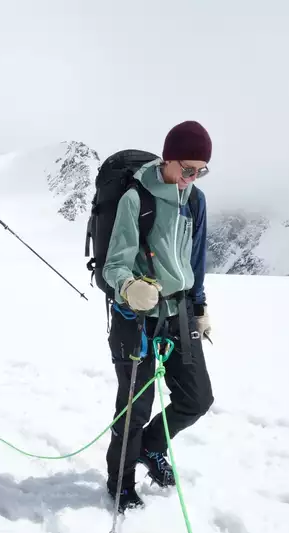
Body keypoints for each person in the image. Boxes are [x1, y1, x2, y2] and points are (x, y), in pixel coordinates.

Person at [102, 120, 215, 511]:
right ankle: (120, 483)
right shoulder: (137, 198)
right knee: (136, 406)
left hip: (180, 312)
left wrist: (199, 306)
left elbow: (195, 261)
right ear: (169, 160)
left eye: (201, 171)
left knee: (197, 398)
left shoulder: (196, 201)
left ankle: (150, 448)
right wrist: (129, 287)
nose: (191, 179)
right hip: (139, 315)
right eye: (187, 169)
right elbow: (114, 264)